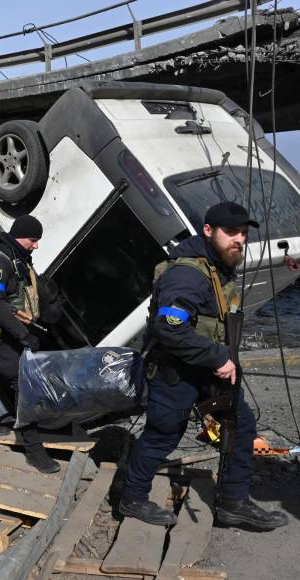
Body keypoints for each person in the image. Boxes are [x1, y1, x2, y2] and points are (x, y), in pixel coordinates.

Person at [121, 202, 287, 529]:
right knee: (163, 434)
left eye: (243, 233)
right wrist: (218, 357)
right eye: (231, 231)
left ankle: (233, 503)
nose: (239, 239)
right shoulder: (187, 275)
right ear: (208, 231)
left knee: (240, 425)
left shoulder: (218, 266)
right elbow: (169, 328)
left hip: (207, 370)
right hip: (175, 372)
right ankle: (133, 497)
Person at [0, 214, 58, 474]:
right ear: (19, 236)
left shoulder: (18, 257)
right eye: (33, 240)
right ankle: (34, 451)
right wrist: (22, 335)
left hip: (15, 329)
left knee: (3, 372)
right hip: (3, 331)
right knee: (22, 386)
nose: (36, 245)